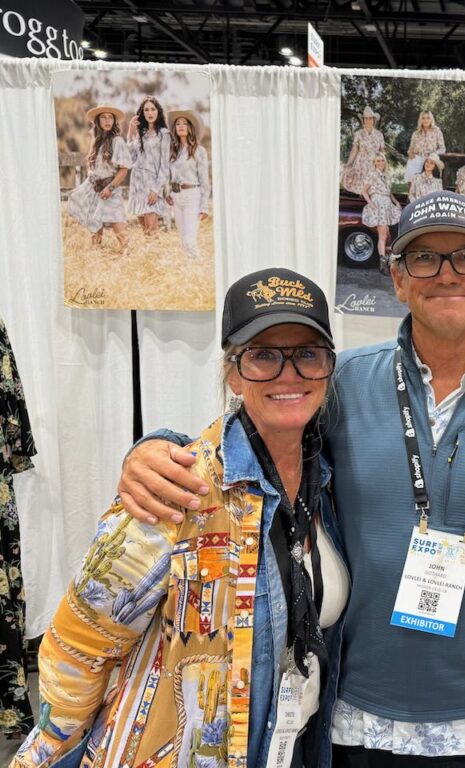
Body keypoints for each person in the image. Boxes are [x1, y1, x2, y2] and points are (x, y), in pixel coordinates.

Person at [117, 191, 465, 768]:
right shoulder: (346, 386)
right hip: (360, 717)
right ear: (397, 280)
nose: (445, 274)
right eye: (423, 259)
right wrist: (156, 447)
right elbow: (253, 442)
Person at [13, 267, 348, 768]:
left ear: (327, 366)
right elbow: (74, 648)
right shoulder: (176, 491)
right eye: (263, 356)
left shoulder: (324, 481)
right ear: (233, 371)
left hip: (287, 746)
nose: (288, 374)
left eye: (306, 355)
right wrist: (47, 753)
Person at [66, 105, 133, 255]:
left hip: (110, 190)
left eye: (110, 117)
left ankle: (131, 260)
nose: (107, 120)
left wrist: (110, 188)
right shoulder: (96, 142)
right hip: (95, 190)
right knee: (95, 233)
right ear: (98, 121)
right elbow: (92, 166)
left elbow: (123, 169)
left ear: (114, 121)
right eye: (103, 117)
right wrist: (92, 179)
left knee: (121, 233)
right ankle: (96, 262)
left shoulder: (118, 141)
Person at [165, 110, 211, 259]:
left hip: (192, 196)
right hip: (176, 198)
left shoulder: (199, 151)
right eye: (178, 124)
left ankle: (198, 268)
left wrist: (204, 206)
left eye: (184, 123)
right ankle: (189, 274)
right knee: (183, 241)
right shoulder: (172, 151)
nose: (181, 126)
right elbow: (167, 176)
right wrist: (168, 193)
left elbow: (205, 181)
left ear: (190, 127)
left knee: (190, 240)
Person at [125, 95, 170, 236]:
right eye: (146, 110)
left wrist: (156, 190)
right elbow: (129, 158)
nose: (150, 113)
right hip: (137, 185)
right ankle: (149, 258)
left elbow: (165, 165)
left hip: (152, 186)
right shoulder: (141, 134)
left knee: (152, 231)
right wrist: (131, 131)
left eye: (152, 109)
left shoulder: (164, 134)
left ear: (158, 112)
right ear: (142, 113)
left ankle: (159, 258)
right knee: (145, 232)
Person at [361, 152, 402, 258]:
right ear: (374, 163)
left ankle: (394, 256)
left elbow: (388, 192)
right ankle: (382, 261)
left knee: (395, 227)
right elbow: (364, 191)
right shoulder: (372, 174)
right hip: (378, 203)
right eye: (378, 161)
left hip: (387, 203)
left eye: (382, 160)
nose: (380, 163)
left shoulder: (387, 175)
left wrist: (396, 202)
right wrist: (371, 204)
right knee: (382, 234)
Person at [342, 105, 386, 196]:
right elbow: (355, 149)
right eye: (366, 118)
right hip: (361, 163)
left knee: (373, 187)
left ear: (374, 120)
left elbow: (382, 151)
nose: (368, 120)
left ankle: (372, 204)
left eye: (370, 118)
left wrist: (383, 163)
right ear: (363, 120)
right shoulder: (358, 134)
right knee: (362, 187)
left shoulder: (379, 134)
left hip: (375, 163)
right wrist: (349, 163)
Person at [404, 110, 445, 182]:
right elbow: (411, 148)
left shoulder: (437, 131)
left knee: (426, 184)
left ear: (431, 119)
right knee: (411, 181)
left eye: (428, 118)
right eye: (423, 118)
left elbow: (442, 148)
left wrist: (434, 154)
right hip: (416, 158)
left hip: (430, 159)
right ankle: (411, 193)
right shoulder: (416, 133)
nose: (426, 120)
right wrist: (410, 152)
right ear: (420, 120)